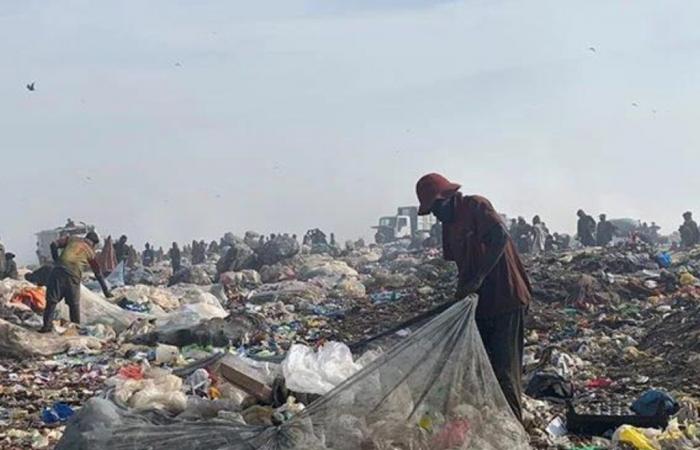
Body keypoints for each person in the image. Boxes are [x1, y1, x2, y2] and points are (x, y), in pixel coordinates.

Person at [415, 173, 532, 422]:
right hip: (481, 306)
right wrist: (460, 295)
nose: (435, 215)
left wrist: (478, 278)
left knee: (504, 370)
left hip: (506, 298)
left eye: (436, 208)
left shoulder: (476, 206)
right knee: (478, 368)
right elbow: (462, 266)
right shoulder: (449, 226)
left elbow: (500, 237)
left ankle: (515, 430)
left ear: (448, 198)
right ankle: (491, 424)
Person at [40, 231, 112, 332]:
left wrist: (56, 260)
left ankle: (46, 327)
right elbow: (98, 273)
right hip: (73, 277)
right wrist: (106, 291)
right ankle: (76, 330)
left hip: (58, 271)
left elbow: (53, 244)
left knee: (52, 301)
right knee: (74, 305)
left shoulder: (72, 239)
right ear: (94, 244)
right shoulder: (90, 252)